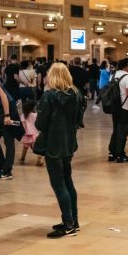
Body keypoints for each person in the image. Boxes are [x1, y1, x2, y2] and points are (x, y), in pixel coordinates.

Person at [34, 63, 83, 239]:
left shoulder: (49, 96)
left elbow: (40, 124)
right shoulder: (77, 94)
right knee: (68, 182)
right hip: (69, 143)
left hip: (53, 144)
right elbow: (79, 120)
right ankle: (73, 221)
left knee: (58, 184)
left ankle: (68, 225)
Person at [108, 59, 128, 163]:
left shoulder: (113, 75)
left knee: (116, 130)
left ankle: (112, 153)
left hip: (115, 107)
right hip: (125, 107)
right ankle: (120, 154)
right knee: (123, 132)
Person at [19, 98, 42, 166]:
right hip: (34, 134)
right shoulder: (35, 115)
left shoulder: (23, 115)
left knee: (25, 147)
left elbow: (23, 126)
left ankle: (22, 159)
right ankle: (39, 160)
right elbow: (38, 124)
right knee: (36, 148)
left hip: (26, 134)